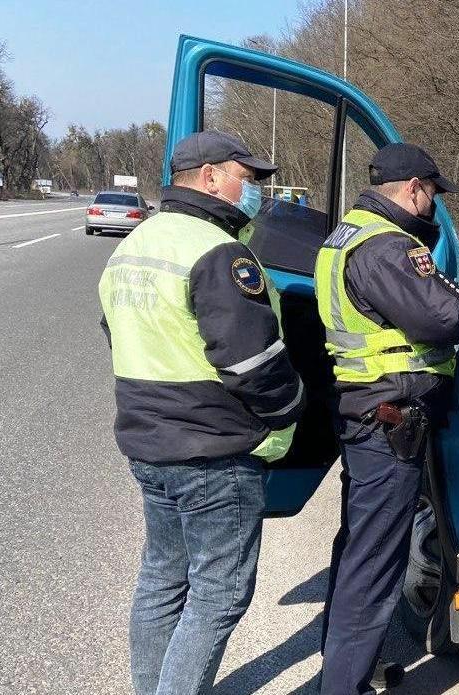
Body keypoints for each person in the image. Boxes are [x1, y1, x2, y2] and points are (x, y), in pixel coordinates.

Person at [98, 130, 306, 695]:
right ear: (212, 176)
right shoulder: (220, 253)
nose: (256, 190)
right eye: (248, 177)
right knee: (219, 594)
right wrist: (292, 409)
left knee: (163, 580)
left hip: (149, 444)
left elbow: (115, 335)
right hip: (213, 454)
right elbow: (252, 362)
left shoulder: (135, 244)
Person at [315, 143, 459, 695]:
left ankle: (350, 668)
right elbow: (446, 317)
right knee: (374, 564)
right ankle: (344, 687)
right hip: (388, 422)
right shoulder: (386, 247)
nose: (431, 208)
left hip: (368, 414)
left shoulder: (346, 235)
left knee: (358, 549)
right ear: (414, 188)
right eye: (431, 195)